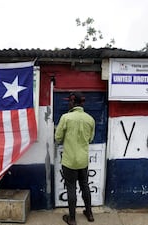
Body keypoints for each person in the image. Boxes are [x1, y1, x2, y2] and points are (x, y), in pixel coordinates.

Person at [55, 92, 95, 225]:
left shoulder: (65, 118)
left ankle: (72, 219)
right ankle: (89, 213)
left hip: (69, 161)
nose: (68, 103)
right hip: (83, 161)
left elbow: (58, 138)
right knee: (85, 186)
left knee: (71, 188)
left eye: (69, 101)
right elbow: (90, 138)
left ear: (73, 102)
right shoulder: (90, 119)